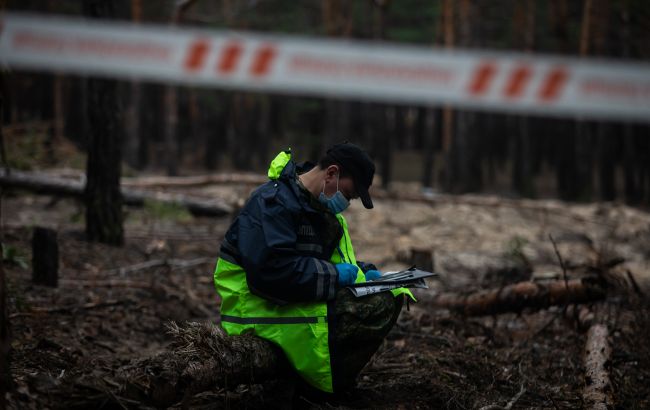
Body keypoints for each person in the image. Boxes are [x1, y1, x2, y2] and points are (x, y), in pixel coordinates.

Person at [213, 142, 412, 394]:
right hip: (256, 310)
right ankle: (323, 387)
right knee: (372, 306)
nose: (347, 203)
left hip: (286, 303)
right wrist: (336, 276)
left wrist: (366, 275)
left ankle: (325, 381)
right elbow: (272, 273)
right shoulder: (273, 203)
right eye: (348, 194)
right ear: (331, 173)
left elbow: (330, 263)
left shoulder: (317, 207)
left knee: (388, 296)